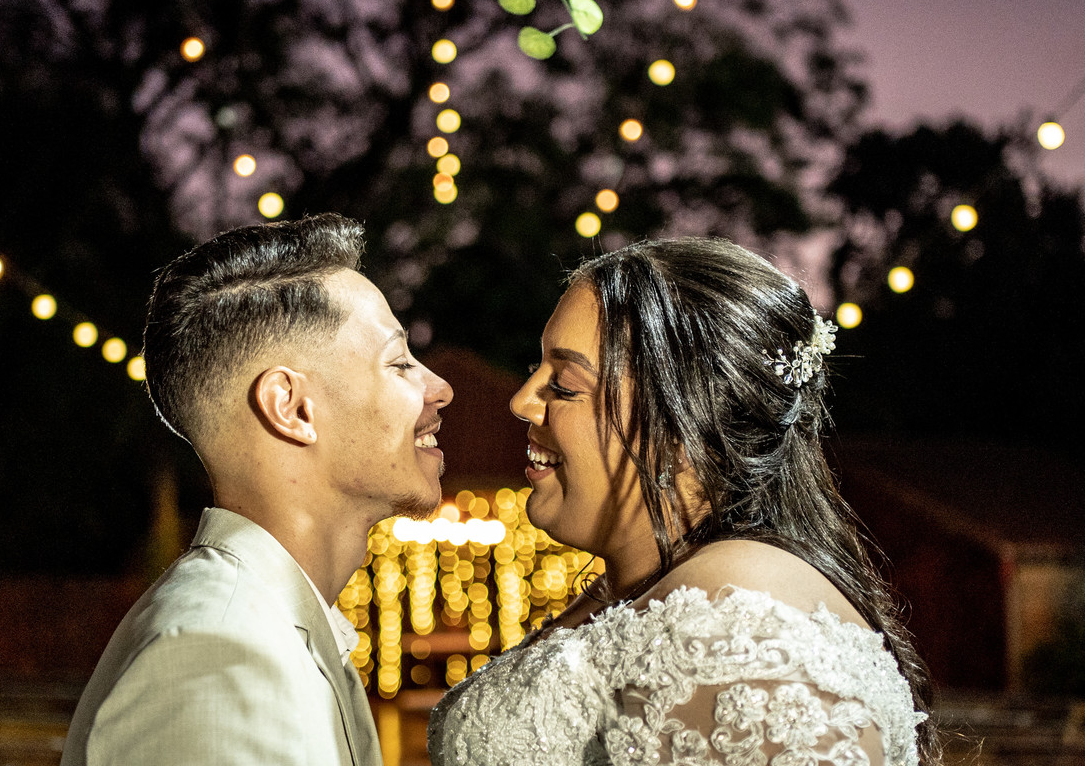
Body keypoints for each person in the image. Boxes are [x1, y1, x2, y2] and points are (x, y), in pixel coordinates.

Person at [428, 237, 937, 766]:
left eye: (566, 384)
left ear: (684, 427)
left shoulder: (738, 621)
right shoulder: (651, 592)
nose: (521, 401)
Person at [62, 213, 453, 765]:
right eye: (398, 363)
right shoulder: (220, 656)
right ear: (292, 408)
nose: (440, 388)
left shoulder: (272, 632)